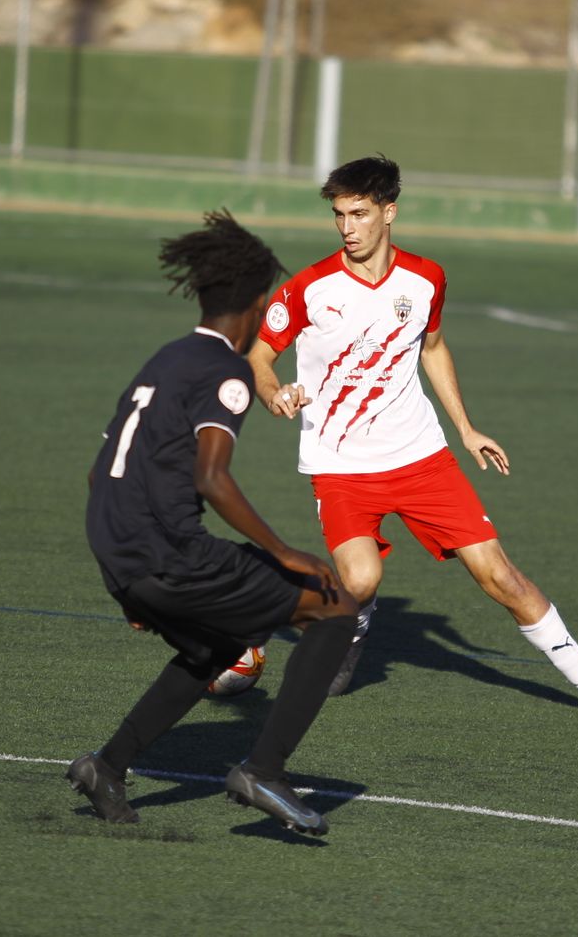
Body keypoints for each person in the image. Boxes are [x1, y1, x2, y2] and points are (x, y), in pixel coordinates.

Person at [246, 155, 578, 721]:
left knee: (499, 575)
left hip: (421, 458)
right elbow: (260, 355)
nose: (347, 227)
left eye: (359, 214)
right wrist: (273, 393)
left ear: (390, 213)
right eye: (339, 215)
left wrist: (465, 428)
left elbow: (431, 348)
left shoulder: (426, 278)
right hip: (340, 465)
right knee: (359, 579)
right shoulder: (308, 288)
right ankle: (351, 630)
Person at [70, 210, 358, 836]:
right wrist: (284, 552)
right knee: (334, 604)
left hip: (119, 550)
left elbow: (100, 476)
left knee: (214, 645)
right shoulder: (226, 371)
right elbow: (212, 477)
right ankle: (265, 771)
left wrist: (126, 578)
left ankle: (108, 767)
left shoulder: (164, 359)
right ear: (257, 306)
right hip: (168, 553)